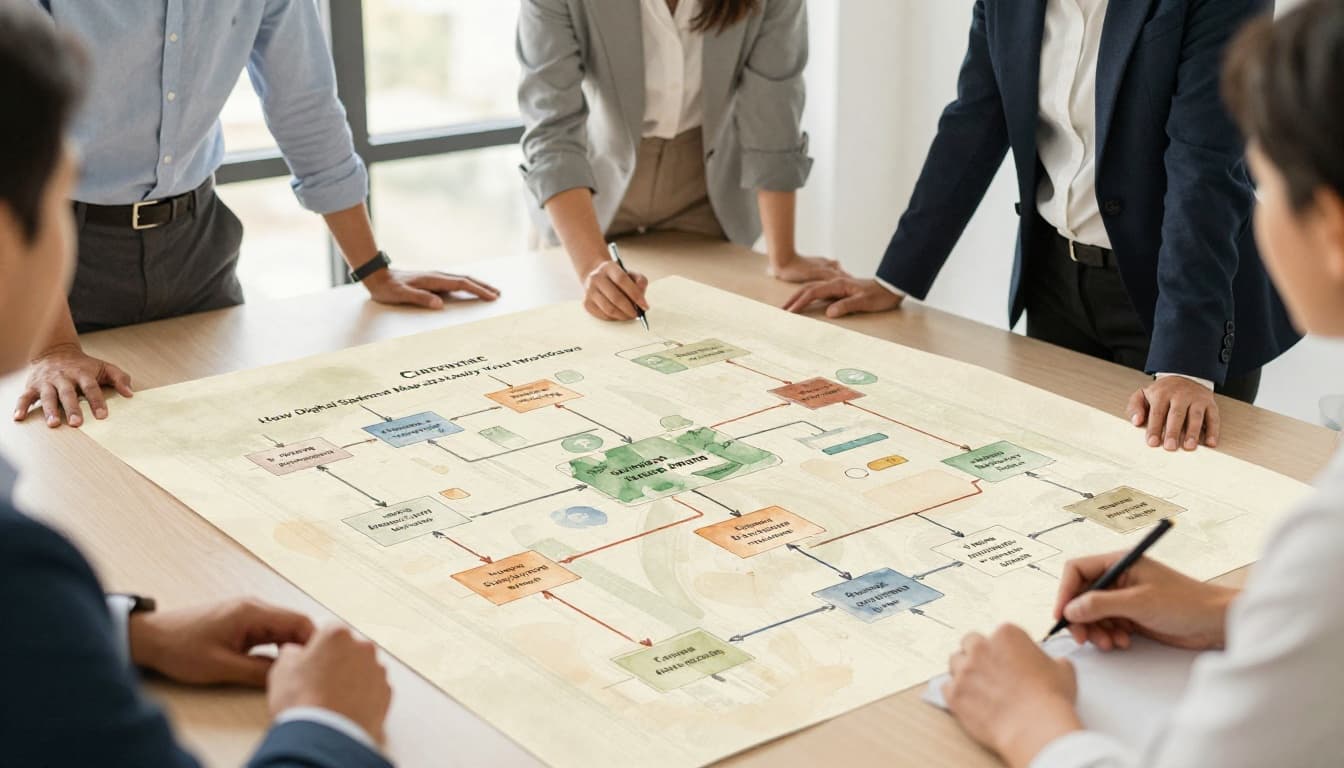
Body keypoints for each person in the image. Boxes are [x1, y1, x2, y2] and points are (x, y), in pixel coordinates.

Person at [941, 2, 1344, 765]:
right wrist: (1230, 607)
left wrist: (1030, 718)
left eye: (1257, 176)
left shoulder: (1328, 534)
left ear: (1328, 225)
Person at [0, 4, 394, 765]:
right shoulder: (21, 564)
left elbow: (306, 102)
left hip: (195, 235)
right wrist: (330, 725)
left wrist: (126, 633)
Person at [784, 0, 1300, 453]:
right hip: (1056, 286)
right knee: (1065, 498)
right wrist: (894, 278)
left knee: (1173, 533)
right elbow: (976, 118)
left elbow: (1204, 166)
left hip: (1182, 299)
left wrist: (1186, 364)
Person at [14, 0, 502, 430]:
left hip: (198, 245)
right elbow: (15, 144)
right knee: (90, 470)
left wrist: (373, 269)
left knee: (232, 441)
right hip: (53, 252)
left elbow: (305, 106)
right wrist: (54, 348)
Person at [517, 0, 843, 322]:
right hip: (588, 195)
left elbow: (774, 114)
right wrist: (591, 266)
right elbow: (552, 131)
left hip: (704, 193)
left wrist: (783, 256)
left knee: (711, 339)